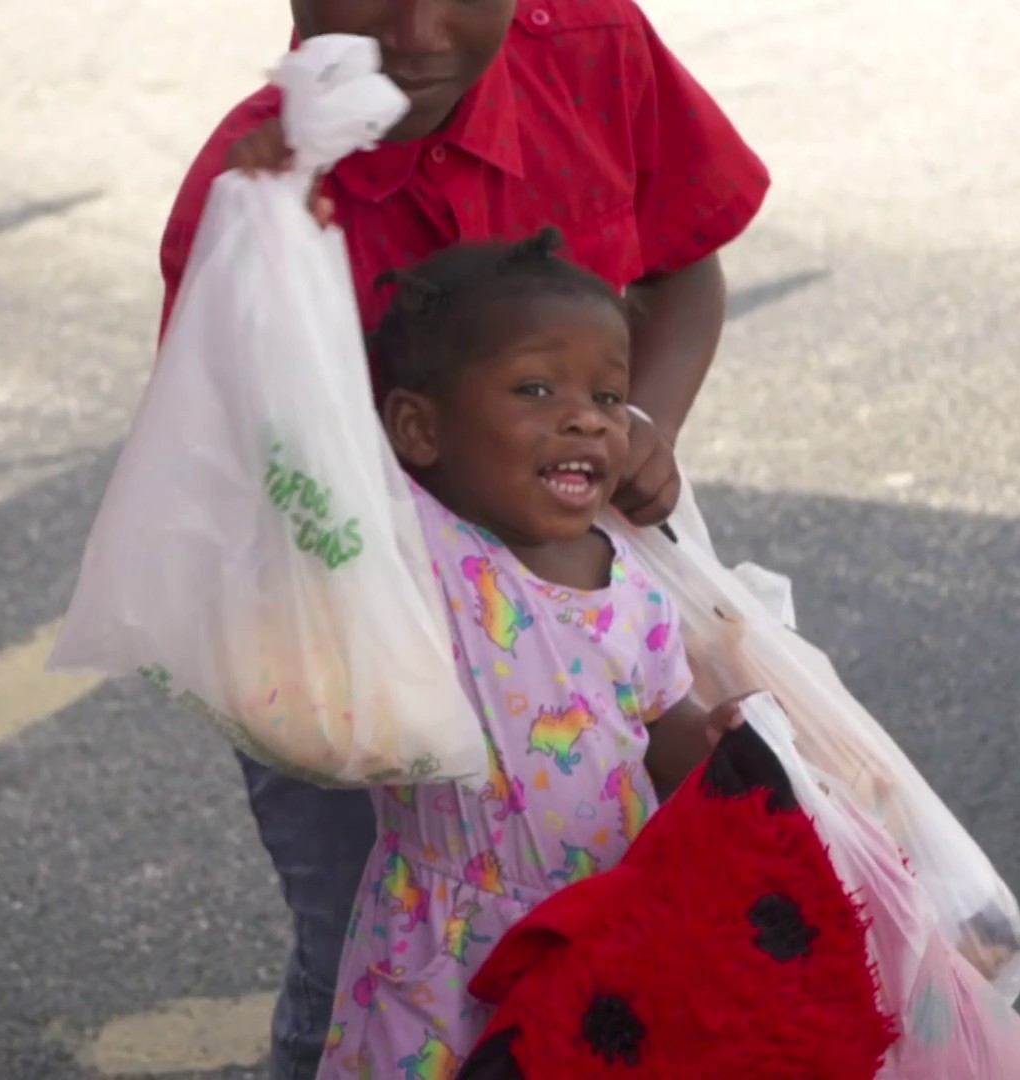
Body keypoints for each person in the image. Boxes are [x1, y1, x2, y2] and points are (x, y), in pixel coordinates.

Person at [161, 5, 768, 1073]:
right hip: (347, 679)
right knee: (345, 965)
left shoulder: (594, 48)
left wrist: (646, 428)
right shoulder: (254, 190)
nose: (422, 30)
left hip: (580, 844)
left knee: (597, 993)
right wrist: (264, 233)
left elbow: (685, 265)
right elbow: (233, 466)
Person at [319, 229, 752, 1076]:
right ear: (418, 428)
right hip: (443, 961)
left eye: (607, 394)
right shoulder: (422, 551)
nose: (585, 415)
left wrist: (718, 750)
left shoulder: (632, 577)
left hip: (601, 942)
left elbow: (659, 721)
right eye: (535, 387)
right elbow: (294, 428)